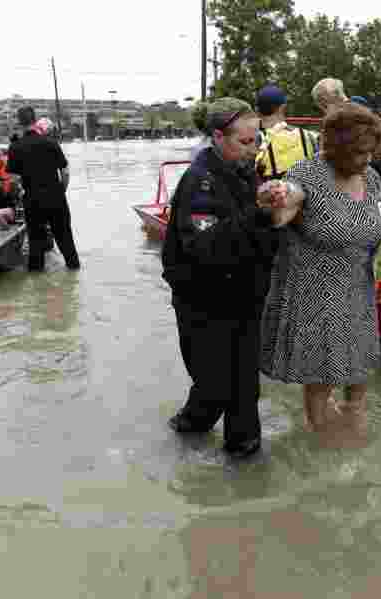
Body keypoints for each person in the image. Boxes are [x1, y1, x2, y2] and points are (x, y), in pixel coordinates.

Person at [162, 98, 282, 459]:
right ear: (217, 137)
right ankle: (189, 427)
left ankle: (246, 460)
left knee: (245, 388)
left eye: (257, 139)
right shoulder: (200, 182)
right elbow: (207, 248)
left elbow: (260, 237)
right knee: (216, 385)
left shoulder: (248, 172)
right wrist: (259, 214)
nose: (255, 148)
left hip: (245, 295)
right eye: (245, 142)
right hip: (204, 301)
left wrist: (277, 210)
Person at [259, 103, 381, 431]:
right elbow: (284, 209)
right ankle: (322, 441)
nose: (368, 159)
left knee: (359, 374)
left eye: (371, 152)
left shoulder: (370, 178)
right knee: (322, 377)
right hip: (317, 295)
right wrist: (275, 197)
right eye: (360, 152)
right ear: (338, 149)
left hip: (358, 289)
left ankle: (354, 430)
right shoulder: (306, 174)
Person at [7, 108, 81, 271]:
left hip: (32, 199)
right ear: (35, 120)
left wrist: (19, 195)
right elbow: (65, 171)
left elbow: (13, 181)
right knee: (65, 239)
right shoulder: (50, 143)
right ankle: (74, 269)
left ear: (19, 123)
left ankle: (37, 282)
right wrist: (61, 191)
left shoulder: (15, 147)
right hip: (56, 197)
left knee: (36, 243)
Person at [254, 84, 317, 180]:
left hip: (272, 193)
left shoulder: (252, 143)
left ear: (257, 111)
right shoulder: (309, 136)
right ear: (283, 108)